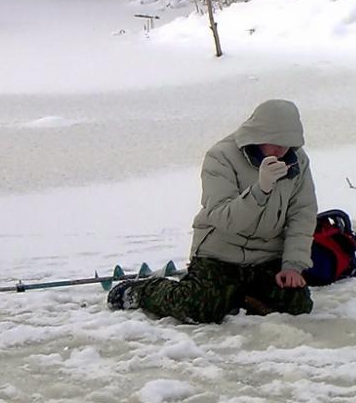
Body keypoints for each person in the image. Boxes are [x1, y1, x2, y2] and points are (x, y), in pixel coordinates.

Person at [108, 99, 318, 323]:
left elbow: (302, 215)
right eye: (274, 142)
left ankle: (237, 295)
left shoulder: (297, 162)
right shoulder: (221, 157)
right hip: (218, 254)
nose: (280, 150)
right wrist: (260, 190)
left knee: (298, 305)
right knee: (200, 309)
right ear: (258, 133)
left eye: (286, 143)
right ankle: (143, 291)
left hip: (266, 257)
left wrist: (293, 266)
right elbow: (224, 218)